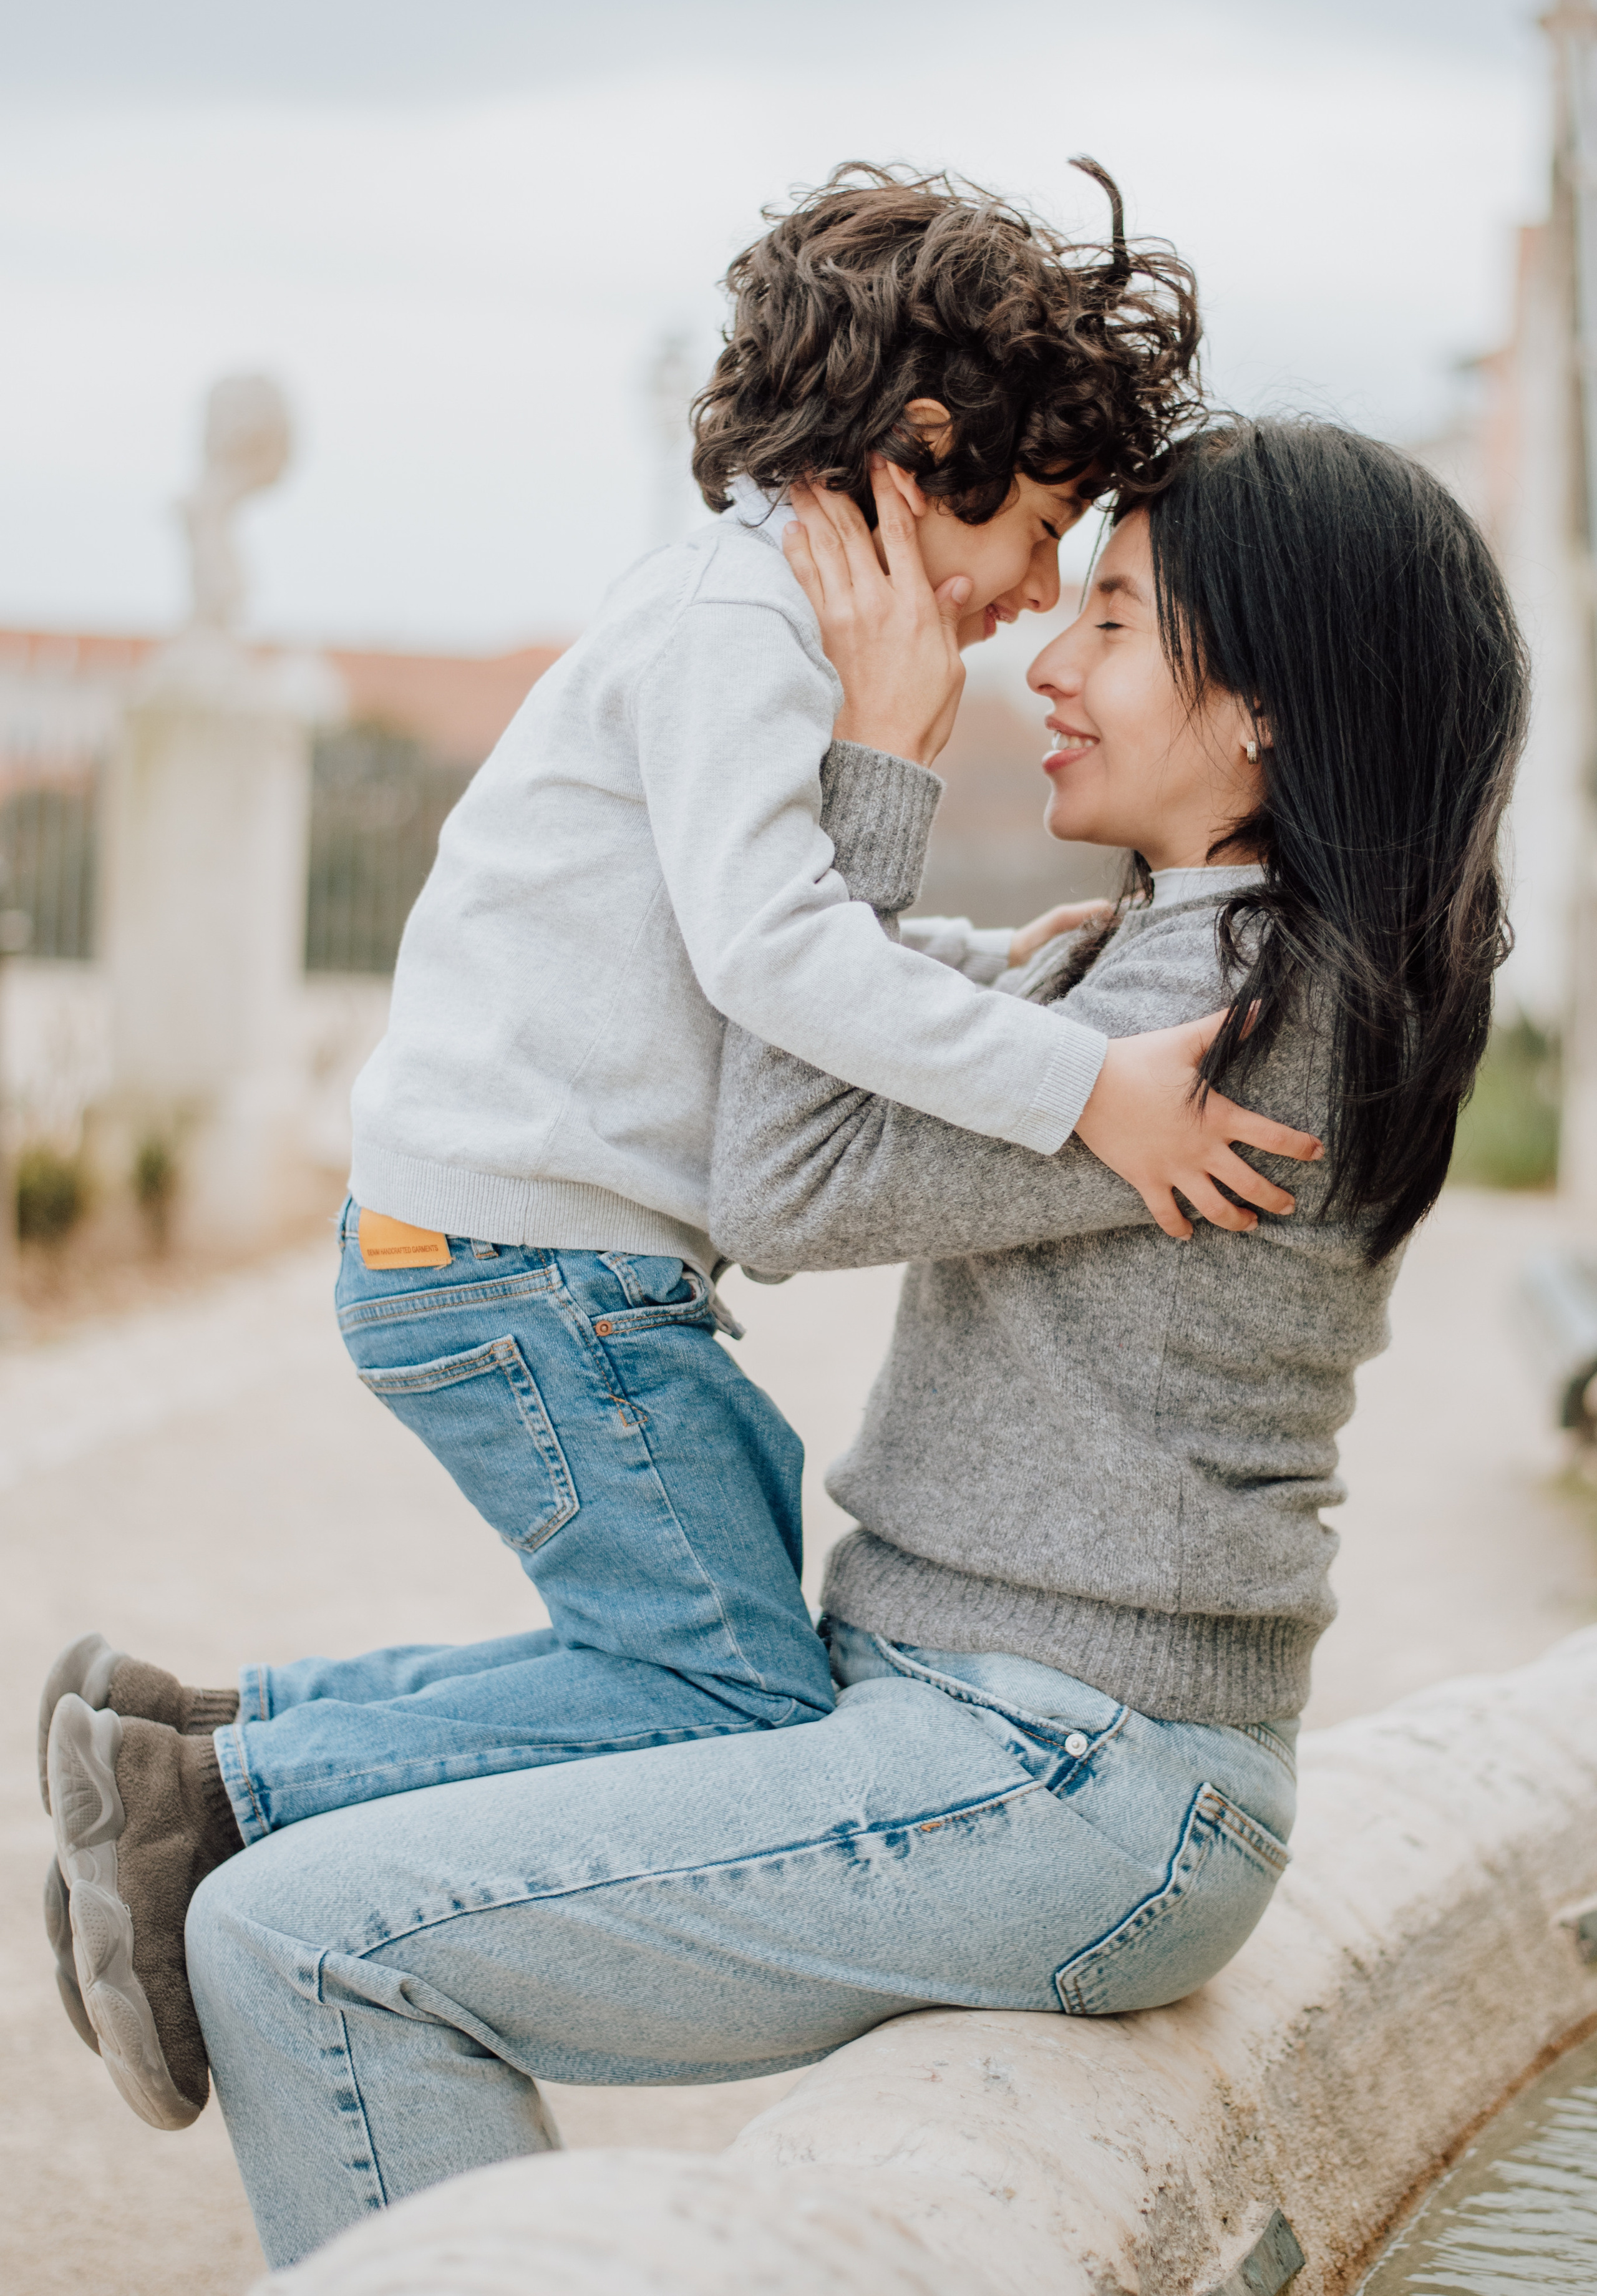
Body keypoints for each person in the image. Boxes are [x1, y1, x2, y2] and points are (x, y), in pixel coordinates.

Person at [39, 164, 1318, 2136]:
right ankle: (224, 1803)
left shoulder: (732, 608)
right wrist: (1082, 1081)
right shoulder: (748, 631)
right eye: (1045, 529)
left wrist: (1019, 963)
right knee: (733, 1696)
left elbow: (799, 946)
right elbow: (781, 954)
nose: (1039, 602)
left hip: (521, 1253)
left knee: (682, 1656)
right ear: (921, 453)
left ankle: (211, 1752)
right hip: (534, 1264)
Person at [169, 415, 1525, 2269]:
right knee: (317, 1901)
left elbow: (786, 1178)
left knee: (300, 1940)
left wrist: (870, 762)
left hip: (1074, 1770)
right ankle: (220, 1765)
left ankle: (218, 1785)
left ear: (1268, 703)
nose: (1042, 658)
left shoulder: (1223, 1024)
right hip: (1014, 1737)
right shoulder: (1204, 968)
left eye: (1113, 618)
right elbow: (882, 1037)